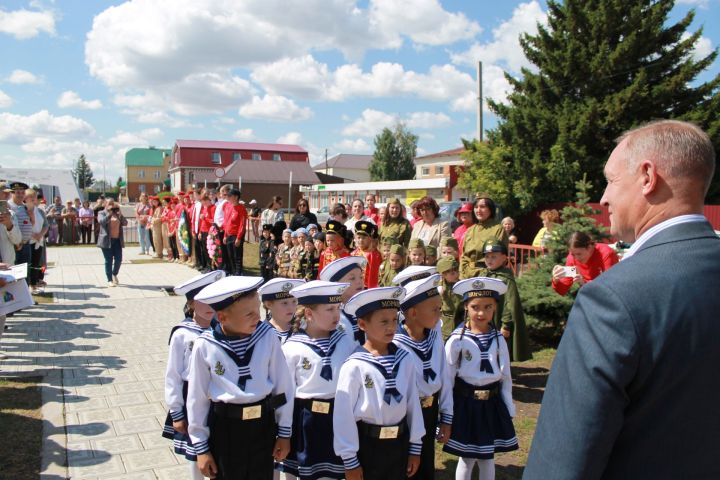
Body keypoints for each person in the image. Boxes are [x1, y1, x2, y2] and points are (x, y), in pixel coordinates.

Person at [524, 120, 720, 479]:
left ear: (647, 177)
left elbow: (565, 458)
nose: (603, 197)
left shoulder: (614, 298)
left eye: (611, 180)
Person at [188, 276, 294, 480]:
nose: (258, 318)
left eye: (259, 311)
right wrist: (201, 448)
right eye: (249, 314)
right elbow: (196, 399)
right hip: (226, 428)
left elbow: (283, 387)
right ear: (222, 318)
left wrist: (284, 433)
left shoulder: (267, 336)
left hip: (262, 426)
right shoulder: (205, 345)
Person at [333, 286, 425, 480]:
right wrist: (350, 460)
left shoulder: (404, 359)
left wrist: (415, 447)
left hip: (399, 444)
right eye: (383, 321)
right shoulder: (354, 365)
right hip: (368, 445)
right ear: (362, 324)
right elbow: (343, 416)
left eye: (394, 320)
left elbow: (413, 404)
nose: (391, 327)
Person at [444, 277, 518, 479]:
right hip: (466, 403)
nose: (481, 313)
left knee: (488, 456)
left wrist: (508, 404)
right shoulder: (457, 341)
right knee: (467, 456)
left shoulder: (498, 339)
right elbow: (448, 379)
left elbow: (505, 376)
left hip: (491, 404)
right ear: (466, 307)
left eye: (488, 307)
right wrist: (447, 412)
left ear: (495, 308)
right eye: (475, 307)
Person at [282, 280, 358, 480]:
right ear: (309, 313)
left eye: (338, 308)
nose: (336, 315)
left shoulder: (345, 341)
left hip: (338, 417)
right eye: (329, 309)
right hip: (307, 420)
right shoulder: (292, 348)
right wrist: (283, 432)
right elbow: (286, 394)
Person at [163, 270, 225, 480]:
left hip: (216, 396)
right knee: (195, 451)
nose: (210, 308)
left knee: (216, 445)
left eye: (213, 301)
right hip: (191, 395)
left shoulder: (223, 330)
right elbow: (173, 376)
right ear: (191, 305)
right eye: (203, 302)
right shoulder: (182, 334)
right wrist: (176, 412)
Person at [395, 274, 453, 479]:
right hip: (406, 416)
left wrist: (446, 416)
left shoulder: (434, 334)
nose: (440, 313)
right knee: (406, 466)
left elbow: (444, 375)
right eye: (435, 309)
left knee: (426, 465)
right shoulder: (395, 345)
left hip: (430, 411)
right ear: (413, 312)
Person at [477, 240, 531, 362]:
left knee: (499, 349)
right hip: (483, 320)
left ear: (503, 258)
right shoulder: (483, 274)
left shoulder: (506, 277)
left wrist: (506, 325)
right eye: (487, 256)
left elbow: (510, 303)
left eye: (493, 257)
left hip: (498, 321)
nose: (489, 260)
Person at [551, 231, 620, 296]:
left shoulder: (606, 254)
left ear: (589, 247)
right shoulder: (572, 258)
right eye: (573, 254)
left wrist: (584, 283)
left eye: (579, 254)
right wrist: (556, 280)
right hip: (590, 296)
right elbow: (562, 291)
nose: (576, 258)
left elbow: (610, 288)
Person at [319, 255, 367, 346]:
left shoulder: (366, 309)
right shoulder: (334, 315)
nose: (359, 281)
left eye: (361, 277)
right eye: (352, 278)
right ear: (337, 285)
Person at [459, 197, 507, 279]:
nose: (478, 210)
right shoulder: (470, 230)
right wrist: (462, 275)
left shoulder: (498, 229)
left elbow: (500, 257)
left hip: (487, 276)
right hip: (467, 275)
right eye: (476, 207)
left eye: (482, 207)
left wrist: (488, 275)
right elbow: (463, 256)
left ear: (490, 209)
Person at [257, 277, 304, 342]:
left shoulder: (303, 328)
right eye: (284, 303)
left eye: (294, 301)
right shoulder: (261, 333)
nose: (291, 307)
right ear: (268, 304)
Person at [96, 198, 127, 287]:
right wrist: (109, 214)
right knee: (108, 260)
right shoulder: (101, 213)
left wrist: (120, 215)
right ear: (105, 204)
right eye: (109, 203)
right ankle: (109, 279)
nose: (111, 205)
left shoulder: (117, 214)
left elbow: (125, 223)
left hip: (117, 240)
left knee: (119, 259)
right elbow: (101, 222)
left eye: (112, 203)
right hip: (106, 241)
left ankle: (114, 273)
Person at [25, 189, 48, 294]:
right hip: (27, 241)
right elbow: (23, 225)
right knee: (26, 265)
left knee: (36, 264)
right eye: (30, 196)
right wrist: (33, 235)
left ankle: (34, 285)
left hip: (38, 241)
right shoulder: (23, 210)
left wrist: (40, 235)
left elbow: (46, 225)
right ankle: (25, 287)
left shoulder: (40, 211)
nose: (33, 198)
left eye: (34, 196)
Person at [436, 256, 462, 341]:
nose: (456, 275)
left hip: (459, 320)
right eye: (452, 273)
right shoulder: (440, 287)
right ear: (443, 275)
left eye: (456, 271)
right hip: (445, 322)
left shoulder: (461, 285)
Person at [223, 189, 247, 276]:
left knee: (237, 256)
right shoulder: (229, 207)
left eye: (230, 196)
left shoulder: (241, 209)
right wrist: (225, 235)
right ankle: (233, 272)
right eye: (228, 196)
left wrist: (239, 237)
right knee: (230, 255)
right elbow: (226, 222)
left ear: (236, 197)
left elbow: (242, 224)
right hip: (228, 234)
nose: (228, 198)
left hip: (236, 235)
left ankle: (238, 273)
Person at [351, 220, 381, 289]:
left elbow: (374, 277)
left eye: (364, 238)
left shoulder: (374, 255)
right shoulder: (353, 253)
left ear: (370, 239)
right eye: (359, 237)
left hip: (366, 288)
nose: (361, 240)